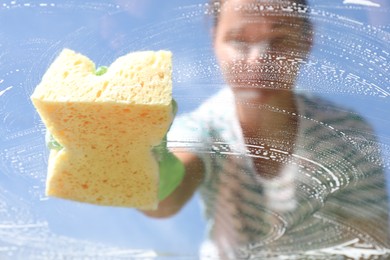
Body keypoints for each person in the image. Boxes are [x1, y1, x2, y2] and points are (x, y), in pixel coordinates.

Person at [143, 0, 389, 258]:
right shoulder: (204, 127)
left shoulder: (345, 134)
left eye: (279, 39)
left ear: (307, 41)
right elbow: (162, 199)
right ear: (214, 40)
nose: (260, 59)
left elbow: (374, 242)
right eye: (239, 40)